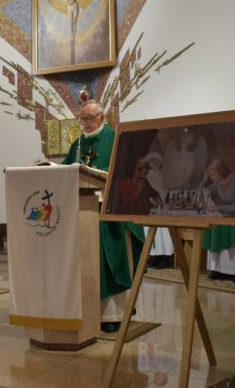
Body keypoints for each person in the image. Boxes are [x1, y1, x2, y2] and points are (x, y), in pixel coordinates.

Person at [62, 100, 145, 333]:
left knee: (110, 260)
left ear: (101, 116)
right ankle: (88, 309)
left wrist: (102, 176)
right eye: (82, 118)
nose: (85, 123)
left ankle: (114, 314)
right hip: (84, 209)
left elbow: (126, 174)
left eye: (89, 118)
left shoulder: (115, 139)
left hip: (110, 209)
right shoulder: (78, 143)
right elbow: (67, 169)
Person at [200, 158, 235, 282]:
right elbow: (201, 193)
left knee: (226, 225)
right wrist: (204, 180)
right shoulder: (218, 183)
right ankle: (219, 269)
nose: (211, 178)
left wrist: (217, 208)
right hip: (225, 217)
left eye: (213, 175)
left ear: (221, 172)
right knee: (214, 222)